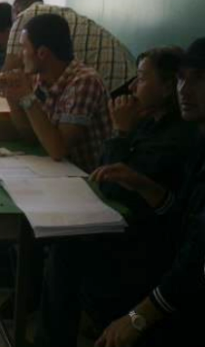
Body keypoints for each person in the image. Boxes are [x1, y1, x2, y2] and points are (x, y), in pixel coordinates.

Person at [34, 47, 196, 347]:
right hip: (123, 222)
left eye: (142, 78)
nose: (132, 88)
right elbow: (105, 171)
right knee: (49, 231)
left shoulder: (178, 137)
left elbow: (113, 186)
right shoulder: (147, 122)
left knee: (65, 249)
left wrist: (121, 133)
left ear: (166, 87)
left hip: (143, 242)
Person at [89, 38, 205, 347]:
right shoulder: (154, 124)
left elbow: (196, 256)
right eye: (182, 79)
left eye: (199, 79)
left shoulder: (179, 138)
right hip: (165, 247)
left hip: (157, 253)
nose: (185, 90)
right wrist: (146, 186)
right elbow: (180, 215)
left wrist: (138, 317)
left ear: (162, 89)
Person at [0, 13, 111, 173]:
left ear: (42, 53)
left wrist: (27, 97)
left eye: (24, 48)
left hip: (86, 177)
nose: (20, 54)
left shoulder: (84, 81)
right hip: (54, 172)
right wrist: (13, 97)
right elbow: (30, 137)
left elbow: (58, 150)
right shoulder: (39, 78)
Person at [6, 0, 135, 92]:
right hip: (127, 71)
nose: (21, 54)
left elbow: (9, 70)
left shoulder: (24, 17)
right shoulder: (53, 12)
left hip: (113, 81)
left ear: (16, 11)